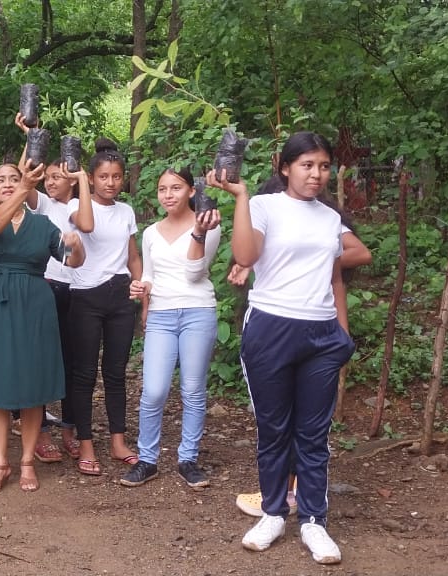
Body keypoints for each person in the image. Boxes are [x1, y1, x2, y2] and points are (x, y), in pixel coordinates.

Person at [215, 131, 356, 565]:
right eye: (307, 165)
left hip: (320, 334)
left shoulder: (330, 218)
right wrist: (240, 196)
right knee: (274, 429)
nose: (316, 174)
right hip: (271, 328)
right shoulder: (263, 205)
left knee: (313, 435)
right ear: (285, 167)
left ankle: (314, 521)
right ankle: (274, 513)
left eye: (324, 166)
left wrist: (341, 336)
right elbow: (245, 254)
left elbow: (337, 273)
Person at [0, 160, 84, 494]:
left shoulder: (42, 224)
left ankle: (28, 461)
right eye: (0, 180)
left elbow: (71, 260)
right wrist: (24, 189)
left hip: (34, 304)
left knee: (32, 382)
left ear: (24, 183)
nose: (7, 184)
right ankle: (0, 463)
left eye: (13, 179)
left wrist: (75, 245)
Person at [122, 166, 222, 488]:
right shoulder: (151, 232)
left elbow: (194, 272)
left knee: (192, 389)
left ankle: (188, 459)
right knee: (153, 390)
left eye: (176, 188)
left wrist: (199, 231)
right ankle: (147, 460)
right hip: (161, 315)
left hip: (197, 310)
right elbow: (149, 274)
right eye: (162, 189)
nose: (168, 195)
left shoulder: (208, 224)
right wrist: (142, 288)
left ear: (192, 191)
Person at [67, 138, 141, 476]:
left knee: (115, 372)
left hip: (120, 295)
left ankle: (117, 440)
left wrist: (140, 289)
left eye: (116, 176)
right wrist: (81, 183)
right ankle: (85, 443)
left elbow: (133, 256)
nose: (110, 183)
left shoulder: (126, 211)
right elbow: (86, 226)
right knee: (84, 374)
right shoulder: (77, 206)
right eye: (103, 177)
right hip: (86, 295)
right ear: (92, 178)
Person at [24, 154, 84, 463]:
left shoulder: (81, 206)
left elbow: (87, 224)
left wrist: (83, 181)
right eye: (47, 177)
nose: (50, 182)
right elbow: (26, 184)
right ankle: (42, 432)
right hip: (46, 287)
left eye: (57, 176)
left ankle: (70, 429)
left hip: (77, 290)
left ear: (72, 180)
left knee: (72, 363)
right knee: (42, 361)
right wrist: (31, 141)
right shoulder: (44, 204)